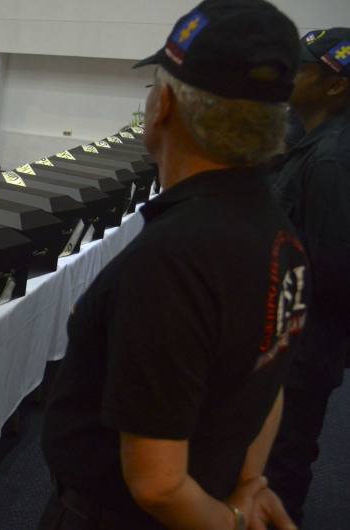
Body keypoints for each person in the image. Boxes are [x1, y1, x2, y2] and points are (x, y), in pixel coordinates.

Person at [38, 1, 307, 529]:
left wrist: (232, 520)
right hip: (211, 486)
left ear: (163, 106)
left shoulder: (173, 259)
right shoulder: (282, 235)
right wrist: (250, 482)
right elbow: (268, 377)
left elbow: (158, 485)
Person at [265, 27, 350, 526]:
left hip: (299, 349)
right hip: (282, 343)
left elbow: (335, 274)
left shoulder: (332, 159)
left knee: (280, 471)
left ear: (336, 85)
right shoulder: (308, 137)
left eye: (299, 67)